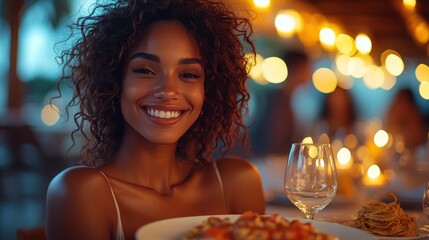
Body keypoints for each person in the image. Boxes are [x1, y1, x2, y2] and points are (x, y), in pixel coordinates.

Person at [45, 0, 265, 239]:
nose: (167, 90)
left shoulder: (238, 182)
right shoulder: (81, 192)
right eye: (145, 70)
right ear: (114, 81)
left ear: (208, 90)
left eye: (189, 74)